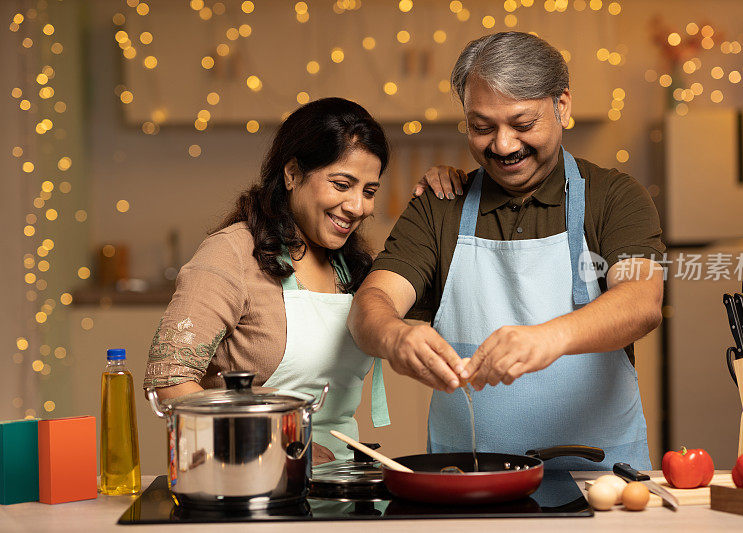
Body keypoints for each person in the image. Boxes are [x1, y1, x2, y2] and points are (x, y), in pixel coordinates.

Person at [348, 32, 665, 471]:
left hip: (601, 480)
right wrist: (394, 336)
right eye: (481, 127)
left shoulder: (614, 196)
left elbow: (641, 301)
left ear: (563, 106)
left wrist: (547, 337)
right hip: (468, 482)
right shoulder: (440, 206)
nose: (502, 145)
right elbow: (370, 305)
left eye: (522, 124)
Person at [143, 97, 460, 464]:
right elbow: (169, 380)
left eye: (369, 191)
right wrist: (281, 448)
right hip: (251, 480)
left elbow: (442, 290)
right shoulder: (230, 254)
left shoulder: (354, 267)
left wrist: (453, 197)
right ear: (292, 174)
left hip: (337, 480)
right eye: (342, 185)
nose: (358, 207)